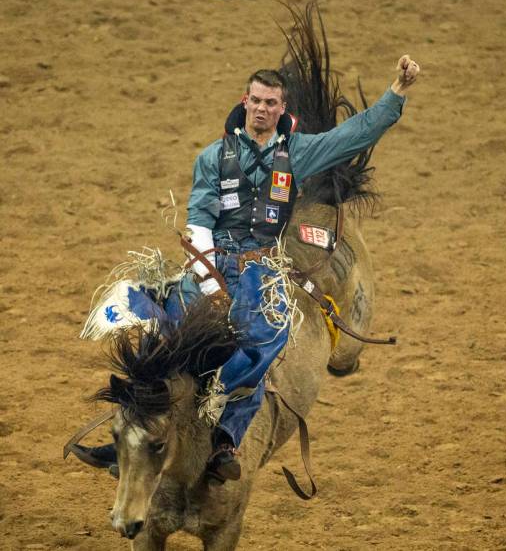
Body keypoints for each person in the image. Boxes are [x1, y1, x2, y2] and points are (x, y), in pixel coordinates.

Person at [70, 55, 420, 482]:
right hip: (212, 259)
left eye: (270, 102)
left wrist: (396, 92)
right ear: (245, 102)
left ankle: (224, 434)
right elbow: (199, 221)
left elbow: (353, 135)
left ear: (281, 109)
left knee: (268, 336)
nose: (261, 108)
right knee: (153, 327)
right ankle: (127, 436)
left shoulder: (299, 154)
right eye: (256, 100)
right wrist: (210, 281)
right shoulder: (214, 157)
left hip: (262, 268)